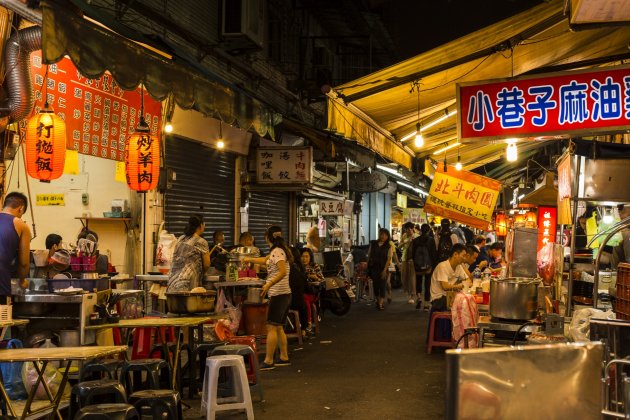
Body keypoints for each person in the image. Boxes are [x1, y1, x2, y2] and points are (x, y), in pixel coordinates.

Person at [243, 226, 292, 370]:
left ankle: (269, 360)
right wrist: (247, 258)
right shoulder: (278, 251)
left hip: (279, 294)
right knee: (278, 328)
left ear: (267, 238)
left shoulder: (277, 252)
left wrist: (268, 283)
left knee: (271, 327)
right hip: (284, 294)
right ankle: (284, 357)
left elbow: (282, 272)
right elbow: (265, 261)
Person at [0, 192, 31, 303]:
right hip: (1, 281)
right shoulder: (21, 224)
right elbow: (24, 263)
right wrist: (22, 280)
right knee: (2, 318)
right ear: (21, 209)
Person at [167, 214, 211, 292]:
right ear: (201, 225)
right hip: (188, 285)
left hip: (172, 282)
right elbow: (207, 264)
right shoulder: (201, 241)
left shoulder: (181, 238)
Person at [429, 243, 469, 311]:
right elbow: (445, 286)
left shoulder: (459, 266)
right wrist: (458, 286)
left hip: (449, 296)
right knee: (462, 305)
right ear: (455, 254)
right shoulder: (442, 266)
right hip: (439, 299)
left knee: (466, 302)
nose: (465, 258)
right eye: (463, 256)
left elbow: (468, 280)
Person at [411, 223, 437, 310]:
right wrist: (433, 265)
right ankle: (426, 304)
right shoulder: (431, 240)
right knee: (427, 284)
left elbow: (413, 254)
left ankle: (419, 298)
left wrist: (415, 264)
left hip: (418, 265)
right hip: (428, 266)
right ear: (429, 230)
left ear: (420, 230)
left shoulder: (415, 240)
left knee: (418, 282)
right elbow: (433, 254)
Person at [367, 228, 393, 310]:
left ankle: (381, 303)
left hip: (383, 268)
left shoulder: (389, 246)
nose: (383, 236)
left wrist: (384, 271)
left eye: (385, 235)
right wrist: (367, 267)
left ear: (388, 236)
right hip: (374, 268)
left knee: (382, 286)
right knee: (375, 286)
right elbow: (369, 255)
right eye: (382, 234)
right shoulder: (374, 244)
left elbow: (388, 259)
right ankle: (378, 301)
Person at [301, 247, 323, 332]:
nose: (304, 259)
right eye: (302, 256)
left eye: (307, 256)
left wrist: (315, 277)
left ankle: (308, 322)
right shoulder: (298, 267)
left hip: (312, 292)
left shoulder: (314, 266)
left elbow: (322, 280)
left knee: (305, 299)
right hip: (301, 291)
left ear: (310, 257)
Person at [288, 246, 308, 339]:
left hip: (288, 303)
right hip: (298, 302)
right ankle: (303, 329)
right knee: (304, 304)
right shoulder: (300, 269)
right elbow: (306, 287)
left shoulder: (287, 268)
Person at [399, 222, 417, 305]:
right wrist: (405, 242)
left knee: (412, 277)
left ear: (413, 228)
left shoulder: (416, 236)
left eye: (410, 228)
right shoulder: (404, 236)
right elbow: (399, 246)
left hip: (413, 259)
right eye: (407, 228)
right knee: (404, 277)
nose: (409, 230)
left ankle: (412, 295)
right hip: (404, 258)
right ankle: (408, 293)